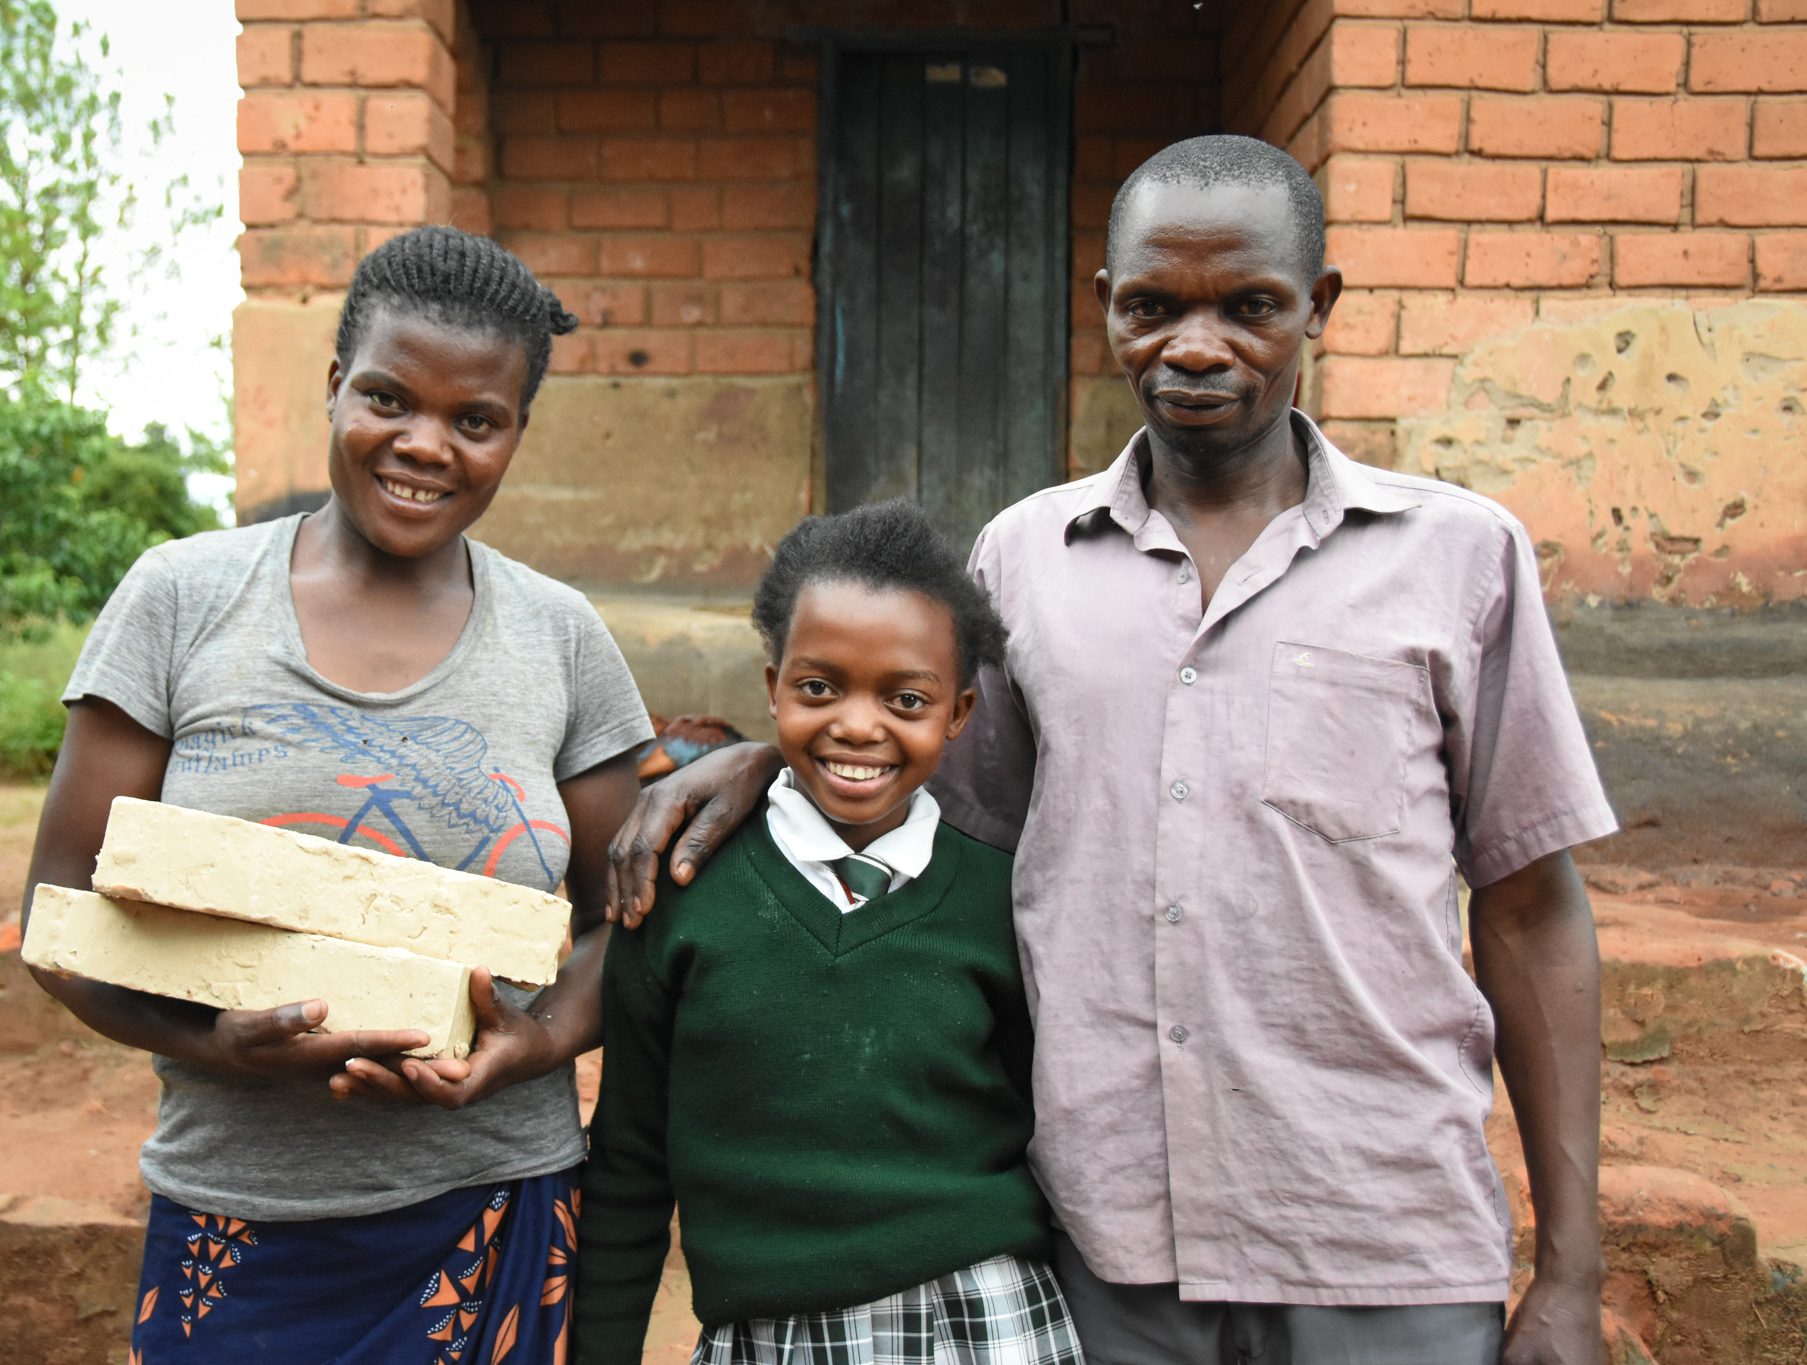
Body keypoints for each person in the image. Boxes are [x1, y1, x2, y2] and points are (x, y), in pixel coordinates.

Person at [607, 136, 1615, 1365]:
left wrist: (1569, 1271)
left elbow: (1527, 909)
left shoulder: (1458, 558)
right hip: (1106, 1241)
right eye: (1152, 307)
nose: (1194, 347)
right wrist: (777, 756)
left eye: (1248, 307)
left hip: (1377, 1226)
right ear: (1103, 309)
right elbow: (936, 823)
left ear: (1320, 307)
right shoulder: (1021, 563)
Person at [22, 226, 656, 1365]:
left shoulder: (561, 639)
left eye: (475, 420)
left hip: (491, 1210)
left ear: (515, 432)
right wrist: (212, 1042)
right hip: (240, 1215)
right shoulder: (183, 600)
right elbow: (62, 917)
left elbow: (628, 915)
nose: (425, 445)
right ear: (331, 387)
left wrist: (535, 1040)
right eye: (386, 398)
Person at [576, 500, 1082, 1365]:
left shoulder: (1001, 900)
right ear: (770, 686)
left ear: (958, 714)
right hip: (770, 1336)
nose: (857, 724)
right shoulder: (684, 897)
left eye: (906, 698)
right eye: (819, 687)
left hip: (985, 1322)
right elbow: (627, 1160)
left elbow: (1054, 1133)